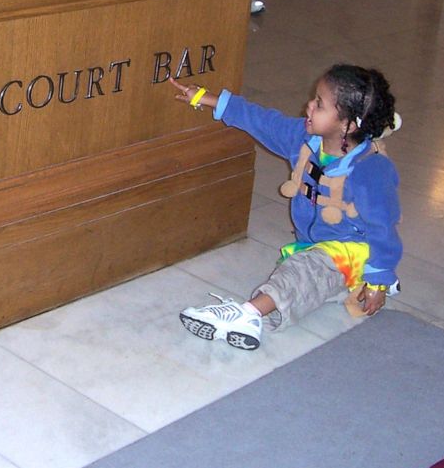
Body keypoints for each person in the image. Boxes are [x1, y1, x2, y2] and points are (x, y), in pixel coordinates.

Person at [171, 65, 402, 350]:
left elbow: (383, 228)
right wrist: (209, 99)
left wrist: (378, 280)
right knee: (300, 282)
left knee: (302, 272)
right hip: (315, 247)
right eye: (314, 98)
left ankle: (247, 313)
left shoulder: (371, 169)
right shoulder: (304, 140)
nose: (309, 105)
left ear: (348, 125)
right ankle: (256, 321)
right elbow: (262, 121)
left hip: (352, 251)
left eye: (320, 104)